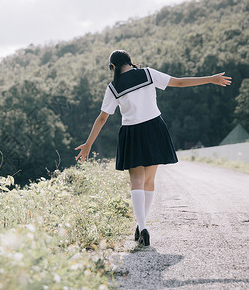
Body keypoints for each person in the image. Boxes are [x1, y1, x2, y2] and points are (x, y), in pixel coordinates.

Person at [74, 50, 231, 246]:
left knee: (136, 182)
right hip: (154, 128)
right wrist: (211, 79)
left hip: (132, 133)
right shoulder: (147, 74)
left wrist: (88, 145)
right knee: (149, 181)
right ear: (131, 63)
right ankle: (142, 226)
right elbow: (179, 82)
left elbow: (103, 118)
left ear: (113, 67)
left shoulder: (113, 87)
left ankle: (143, 227)